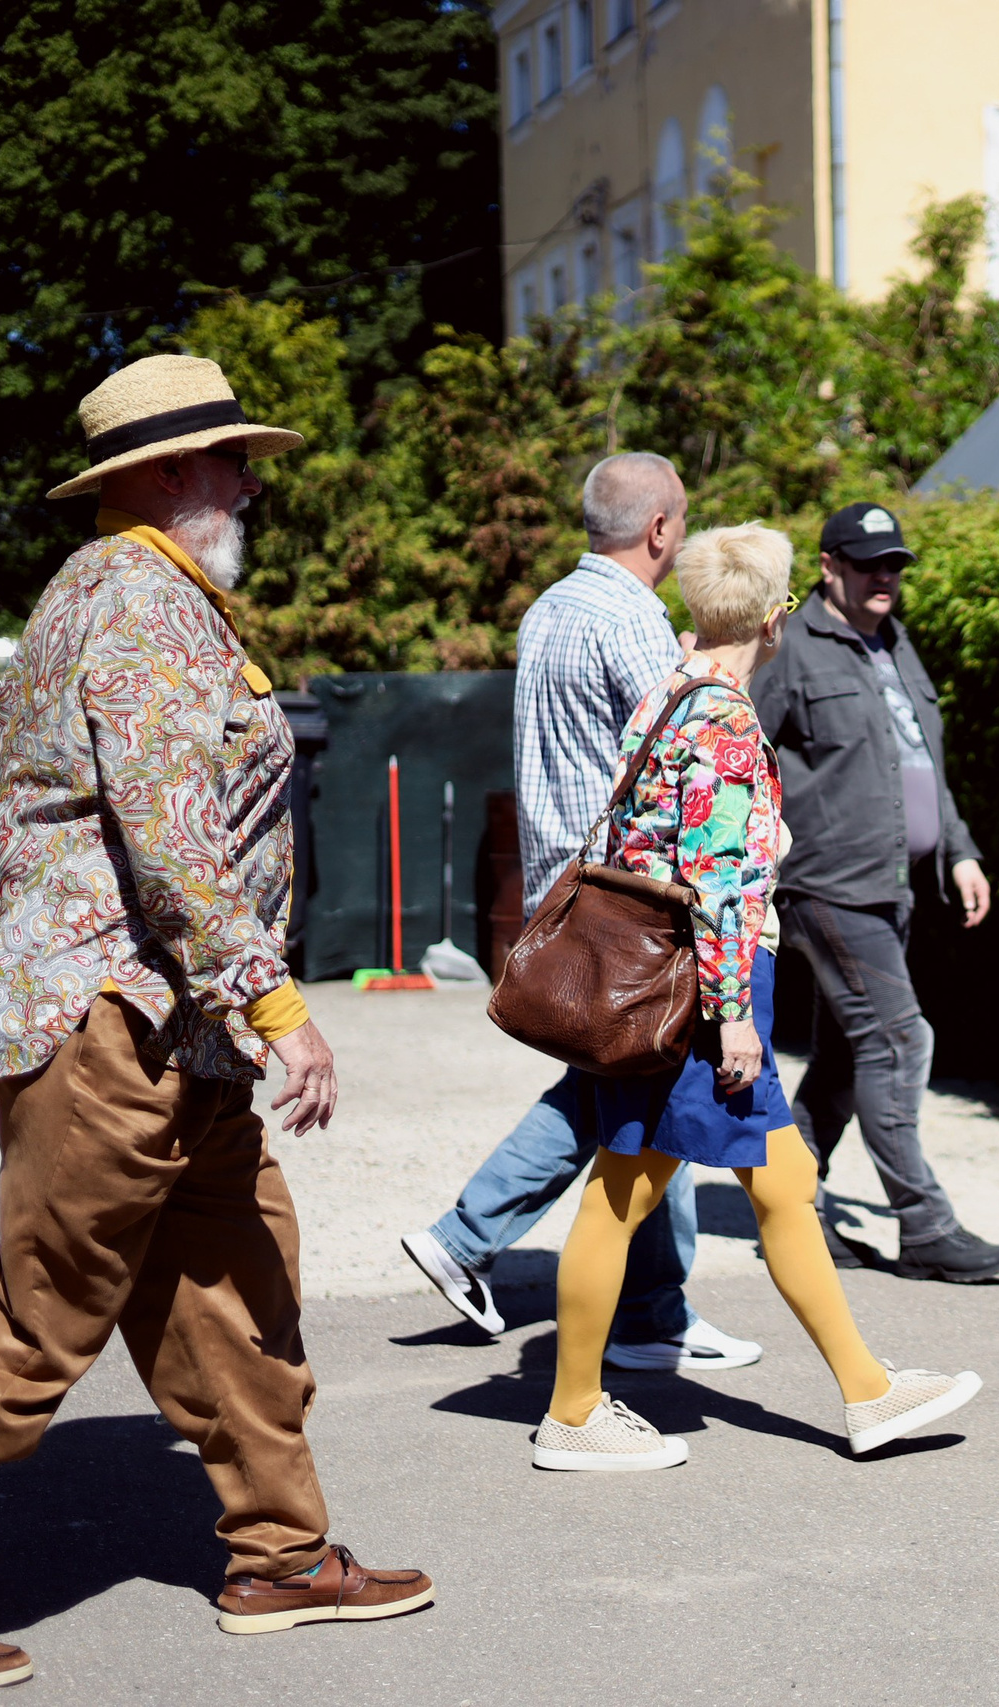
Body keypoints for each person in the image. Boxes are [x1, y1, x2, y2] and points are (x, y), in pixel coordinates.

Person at [0, 357, 431, 1697]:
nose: (250, 480)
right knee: (46, 1306)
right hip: (110, 1020)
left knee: (234, 1279)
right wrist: (275, 1003)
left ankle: (284, 1551)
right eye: (227, 458)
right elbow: (175, 841)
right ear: (156, 474)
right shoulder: (140, 601)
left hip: (165, 1030)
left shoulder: (150, 597)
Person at [535, 524, 984, 1469]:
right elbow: (720, 878)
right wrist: (735, 1012)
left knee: (782, 1183)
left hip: (671, 981)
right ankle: (573, 1412)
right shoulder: (730, 722)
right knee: (621, 1194)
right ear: (777, 617)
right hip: (705, 993)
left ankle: (868, 1390)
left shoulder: (670, 689)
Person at [399, 452, 759, 1375]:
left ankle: (651, 1308)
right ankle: (476, 1237)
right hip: (630, 898)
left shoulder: (548, 607)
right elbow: (678, 752)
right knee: (636, 1083)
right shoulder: (635, 619)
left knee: (633, 1083)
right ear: (662, 531)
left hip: (561, 889)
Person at [750, 501, 999, 1283]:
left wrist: (959, 851)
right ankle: (924, 1223)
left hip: (892, 887)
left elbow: (920, 763)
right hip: (827, 883)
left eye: (894, 564)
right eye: (869, 563)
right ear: (828, 566)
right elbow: (742, 752)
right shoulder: (793, 648)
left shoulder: (895, 643)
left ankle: (786, 1203)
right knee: (900, 1037)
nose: (885, 578)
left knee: (842, 1056)